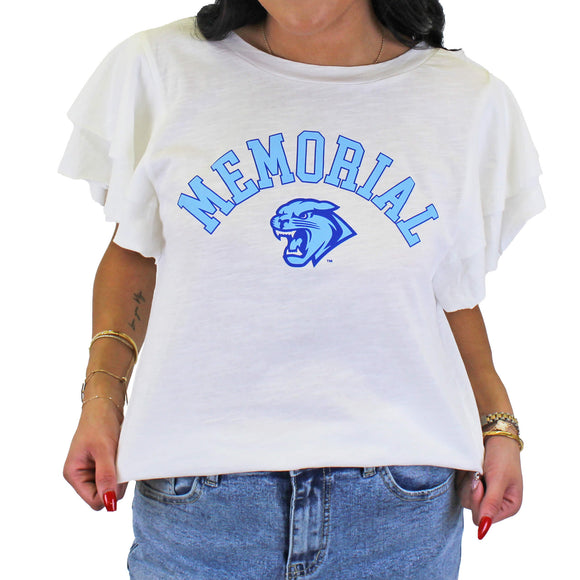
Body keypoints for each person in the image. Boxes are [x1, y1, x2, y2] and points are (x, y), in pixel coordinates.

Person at [60, 1, 544, 578]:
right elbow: (134, 254)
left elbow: (448, 294)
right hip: (200, 505)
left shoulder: (469, 101)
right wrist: (101, 400)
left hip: (398, 508)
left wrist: (498, 425)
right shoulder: (159, 68)